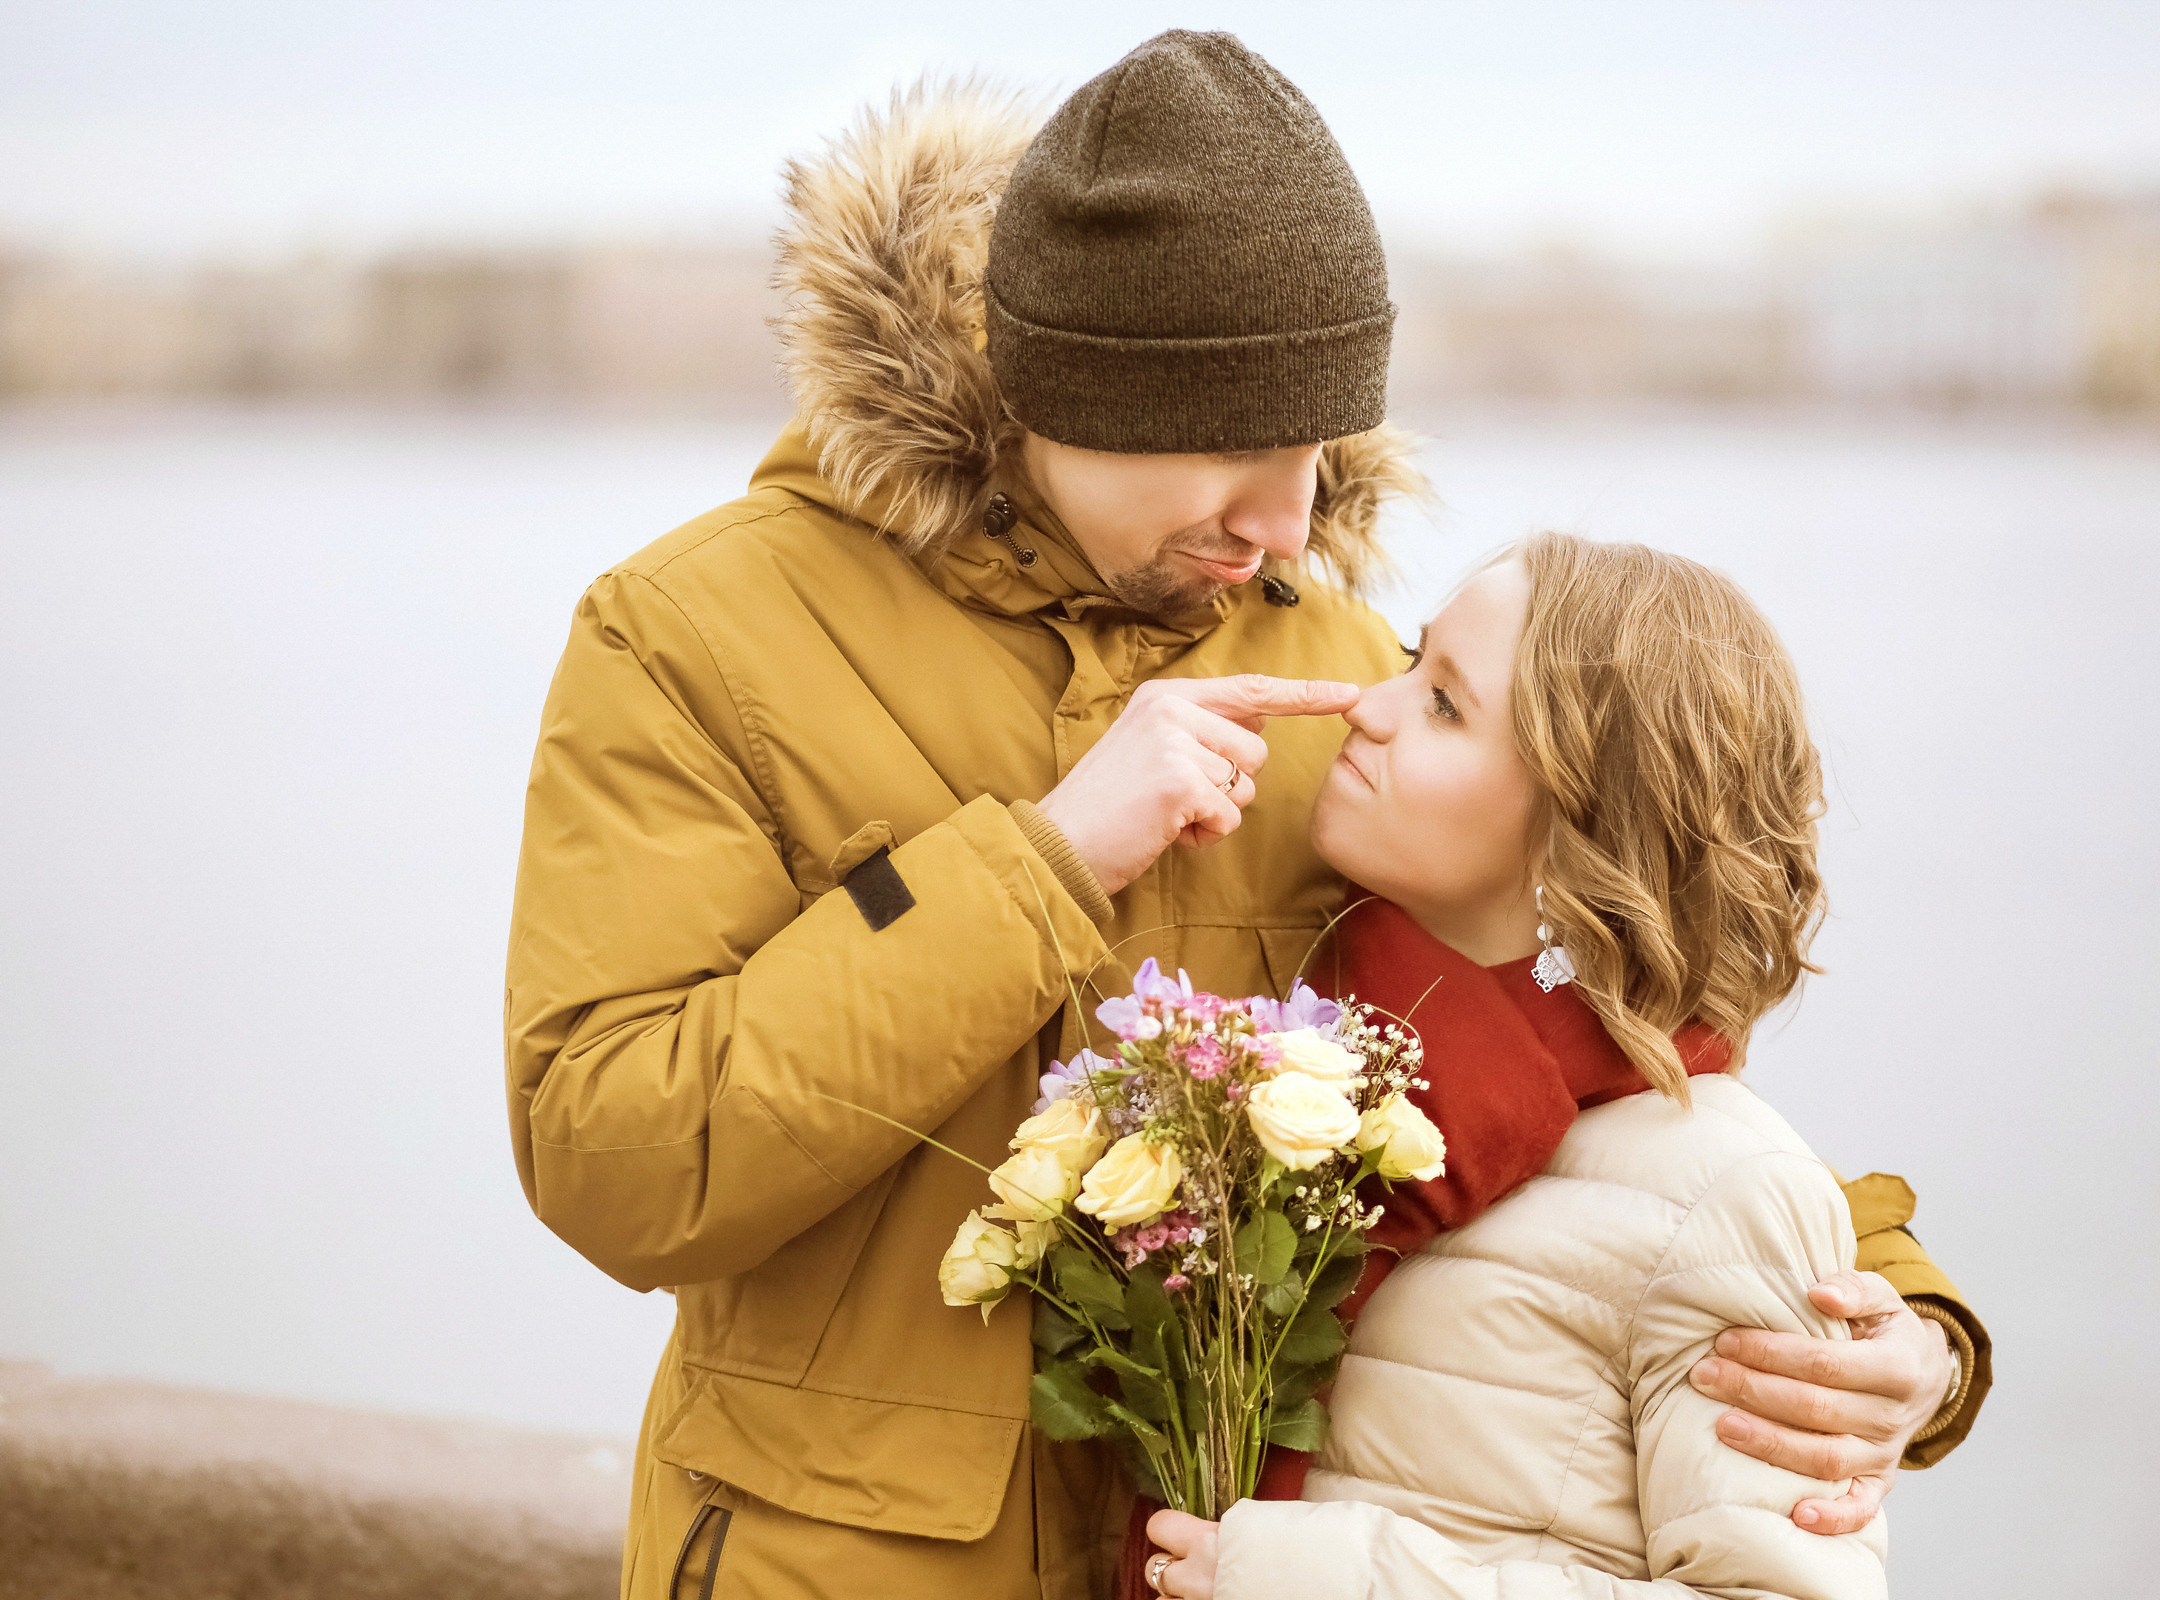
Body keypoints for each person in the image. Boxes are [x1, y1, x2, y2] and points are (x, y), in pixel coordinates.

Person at [502, 33, 1985, 1600]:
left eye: (1320, 448)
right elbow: (616, 1157)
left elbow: (1582, 1021)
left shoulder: (1339, 677)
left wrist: (1901, 1328)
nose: (1290, 525)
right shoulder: (691, 636)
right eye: (1240, 450)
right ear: (1072, 390)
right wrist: (1047, 858)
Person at [1140, 537, 1945, 1599]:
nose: (1366, 706)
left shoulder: (1724, 1185)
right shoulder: (1301, 1082)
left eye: (1442, 705)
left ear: (1579, 828)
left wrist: (1321, 1582)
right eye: (1414, 660)